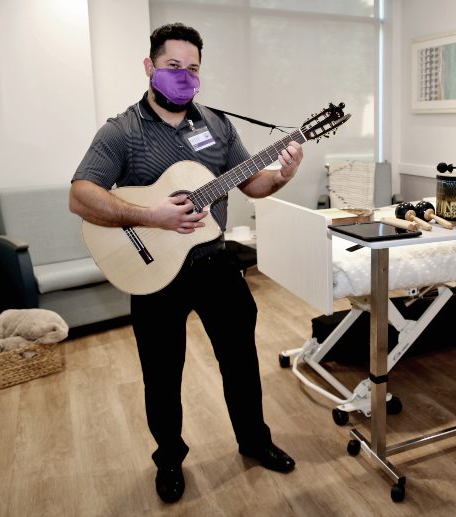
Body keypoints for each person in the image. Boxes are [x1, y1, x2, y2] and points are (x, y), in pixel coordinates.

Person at [70, 22, 302, 504]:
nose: (183, 76)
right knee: (161, 372)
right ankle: (170, 459)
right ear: (150, 66)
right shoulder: (122, 131)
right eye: (173, 66)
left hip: (216, 265)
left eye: (192, 69)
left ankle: (255, 442)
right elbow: (81, 195)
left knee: (240, 361)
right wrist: (150, 214)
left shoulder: (217, 125)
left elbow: (251, 185)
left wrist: (282, 175)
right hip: (154, 274)